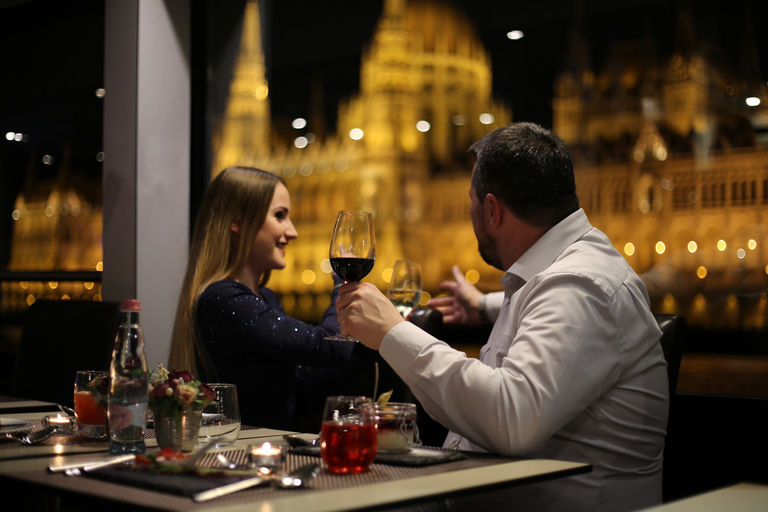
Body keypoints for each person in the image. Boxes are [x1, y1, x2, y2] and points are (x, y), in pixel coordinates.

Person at [335, 123, 668, 511]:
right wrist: (482, 306)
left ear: (492, 210)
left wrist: (391, 332)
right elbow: (547, 311)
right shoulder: (562, 275)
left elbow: (513, 417)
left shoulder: (582, 286)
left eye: (471, 203)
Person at [169, 166, 372, 431]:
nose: (293, 231)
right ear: (237, 222)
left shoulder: (265, 298)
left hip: (273, 452)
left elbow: (301, 396)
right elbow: (328, 347)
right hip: (236, 456)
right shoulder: (223, 298)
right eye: (280, 216)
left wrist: (370, 347)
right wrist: (343, 284)